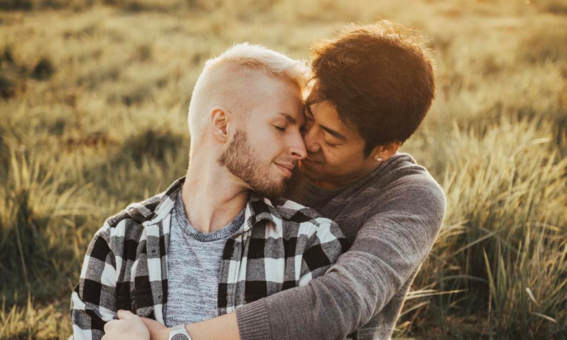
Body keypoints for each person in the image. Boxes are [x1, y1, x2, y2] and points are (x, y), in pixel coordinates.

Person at [103, 21, 446, 340]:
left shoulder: (410, 197)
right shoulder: (275, 160)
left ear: (385, 148)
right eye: (306, 119)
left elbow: (338, 303)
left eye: (331, 138)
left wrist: (178, 337)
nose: (304, 144)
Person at [70, 43, 347, 340]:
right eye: (281, 126)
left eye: (300, 130)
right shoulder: (119, 241)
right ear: (222, 125)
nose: (301, 149)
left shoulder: (310, 243)